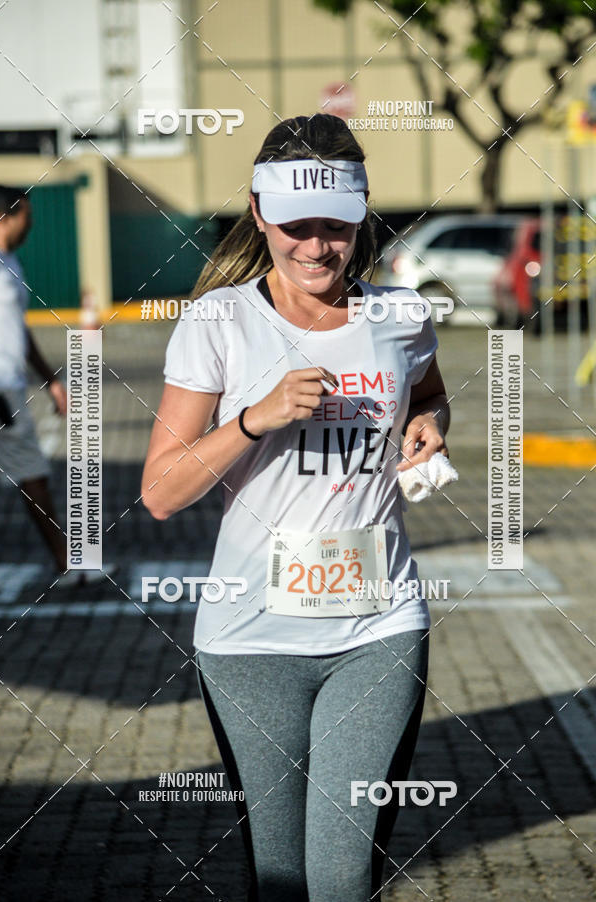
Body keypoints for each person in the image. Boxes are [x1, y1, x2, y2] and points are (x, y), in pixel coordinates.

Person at [142, 114, 450, 901]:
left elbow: (428, 394)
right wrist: (255, 418)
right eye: (296, 227)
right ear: (257, 213)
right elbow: (161, 492)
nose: (317, 248)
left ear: (362, 216)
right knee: (279, 879)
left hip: (378, 626)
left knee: (341, 878)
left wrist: (429, 425)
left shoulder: (402, 316)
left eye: (337, 228)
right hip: (250, 639)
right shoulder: (219, 321)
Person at [0, 185, 113, 588]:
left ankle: (66, 560)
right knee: (32, 473)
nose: (32, 222)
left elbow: (19, 333)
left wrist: (51, 382)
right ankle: (67, 562)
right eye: (27, 213)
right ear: (7, 216)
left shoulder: (10, 263)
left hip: (9, 386)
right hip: (0, 391)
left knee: (31, 473)